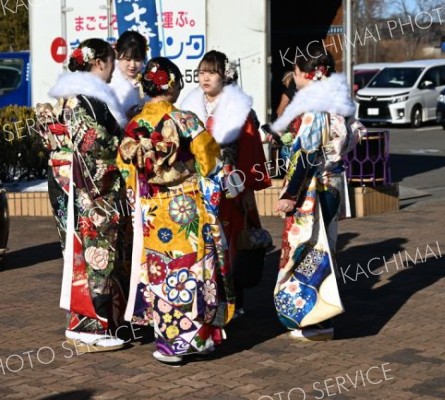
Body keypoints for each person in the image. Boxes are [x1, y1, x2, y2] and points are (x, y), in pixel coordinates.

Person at [118, 57, 232, 364]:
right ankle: (198, 338)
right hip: (188, 206)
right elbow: (210, 160)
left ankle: (171, 342)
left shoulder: (134, 125)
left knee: (162, 270)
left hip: (154, 211)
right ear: (172, 85)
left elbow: (126, 168)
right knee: (194, 268)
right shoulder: (186, 120)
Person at [35, 39, 129, 350]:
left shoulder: (79, 96)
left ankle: (84, 321)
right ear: (99, 62)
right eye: (112, 62)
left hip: (73, 181)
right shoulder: (83, 99)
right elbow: (95, 144)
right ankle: (92, 323)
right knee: (95, 251)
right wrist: (128, 148)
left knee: (80, 254)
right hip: (87, 184)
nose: (114, 69)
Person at [270, 46, 363, 341]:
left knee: (305, 252)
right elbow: (356, 131)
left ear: (304, 74)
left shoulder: (314, 108)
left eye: (296, 72)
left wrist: (289, 193)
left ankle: (311, 321)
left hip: (311, 187)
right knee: (325, 250)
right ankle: (323, 318)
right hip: (334, 181)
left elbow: (306, 153)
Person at [181, 50, 271, 317]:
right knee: (202, 240)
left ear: (225, 75)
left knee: (230, 241)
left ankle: (234, 299)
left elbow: (251, 150)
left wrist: (246, 189)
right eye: (202, 72)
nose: (205, 77)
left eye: (212, 72)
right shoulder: (189, 107)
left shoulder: (239, 109)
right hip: (197, 184)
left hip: (231, 185)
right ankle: (207, 296)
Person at [110, 30, 148, 120]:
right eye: (127, 59)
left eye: (137, 59)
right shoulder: (109, 78)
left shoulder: (148, 78)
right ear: (117, 54)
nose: (132, 65)